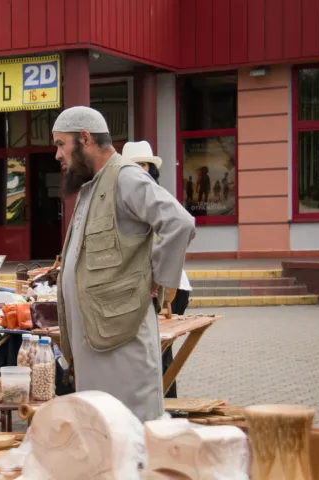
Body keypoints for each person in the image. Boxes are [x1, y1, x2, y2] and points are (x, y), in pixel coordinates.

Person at [53, 107, 196, 422]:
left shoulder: (126, 176)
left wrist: (157, 277)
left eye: (62, 144)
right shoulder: (93, 184)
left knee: (133, 436)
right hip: (96, 344)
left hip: (123, 346)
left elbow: (180, 223)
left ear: (85, 139)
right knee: (103, 436)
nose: (57, 155)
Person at [122, 141, 194, 399]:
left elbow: (181, 227)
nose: (138, 170)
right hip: (156, 284)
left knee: (158, 350)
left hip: (169, 286)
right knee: (155, 351)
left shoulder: (150, 195)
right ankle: (165, 406)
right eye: (133, 165)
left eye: (143, 165)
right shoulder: (133, 194)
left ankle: (166, 407)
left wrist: (156, 277)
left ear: (151, 169)